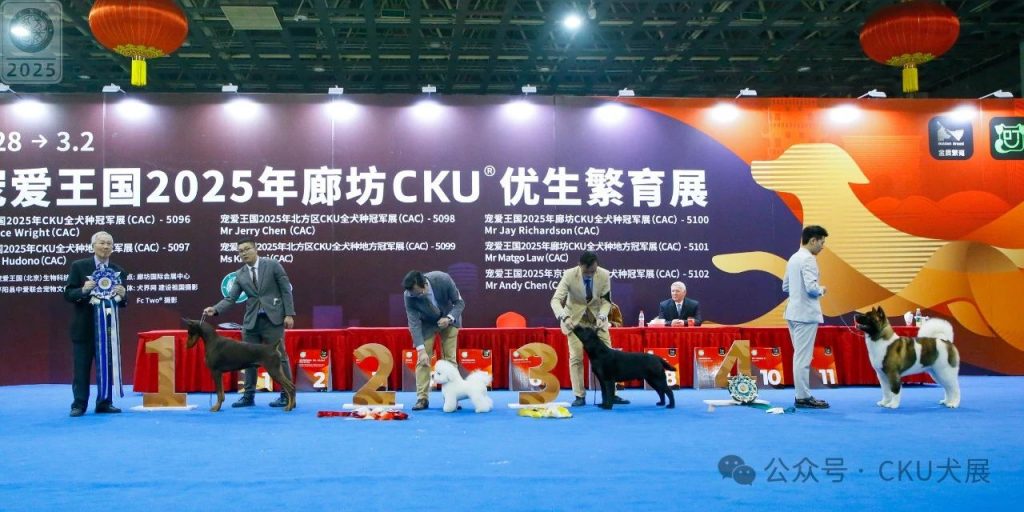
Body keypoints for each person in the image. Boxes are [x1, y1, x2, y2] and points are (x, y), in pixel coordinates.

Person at [204, 238, 295, 408]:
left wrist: (289, 314)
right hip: (251, 322)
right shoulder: (240, 274)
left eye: (247, 249)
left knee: (280, 356)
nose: (244, 253)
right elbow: (231, 298)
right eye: (240, 251)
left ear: (256, 249)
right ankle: (248, 396)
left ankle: (286, 395)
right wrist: (215, 309)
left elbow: (286, 290)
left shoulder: (273, 265)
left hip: (274, 319)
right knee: (248, 358)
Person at [550, 251, 629, 407]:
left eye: (593, 271)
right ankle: (579, 395)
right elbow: (556, 300)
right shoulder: (569, 275)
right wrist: (564, 317)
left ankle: (611, 394)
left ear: (596, 266)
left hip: (597, 321)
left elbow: (606, 301)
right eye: (587, 272)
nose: (590, 275)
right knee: (576, 358)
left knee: (609, 357)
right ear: (579, 266)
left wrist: (602, 316)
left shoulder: (604, 274)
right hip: (574, 322)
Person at [64, 231, 128, 417]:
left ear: (113, 248)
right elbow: (68, 294)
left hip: (107, 330)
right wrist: (83, 290)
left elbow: (122, 302)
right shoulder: (79, 266)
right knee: (81, 369)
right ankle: (79, 404)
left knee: (106, 367)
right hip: (83, 329)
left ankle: (104, 403)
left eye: (109, 243)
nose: (105, 246)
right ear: (93, 246)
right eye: (102, 243)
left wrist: (124, 295)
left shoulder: (118, 271)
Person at [403, 270, 465, 411]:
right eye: (412, 294)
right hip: (427, 324)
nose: (414, 296)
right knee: (423, 360)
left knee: (450, 359)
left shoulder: (442, 279)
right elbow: (413, 323)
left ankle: (451, 398)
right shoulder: (409, 295)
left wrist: (449, 318)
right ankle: (422, 398)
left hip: (449, 320)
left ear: (425, 285)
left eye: (418, 294)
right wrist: (421, 350)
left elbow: (459, 303)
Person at [783, 225, 830, 409]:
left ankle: (802, 395)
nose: (822, 246)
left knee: (800, 357)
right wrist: (822, 289)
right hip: (805, 314)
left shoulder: (794, 258)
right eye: (821, 242)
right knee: (802, 358)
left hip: (793, 313)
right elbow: (811, 288)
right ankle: (802, 396)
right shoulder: (808, 259)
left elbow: (785, 286)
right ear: (813, 240)